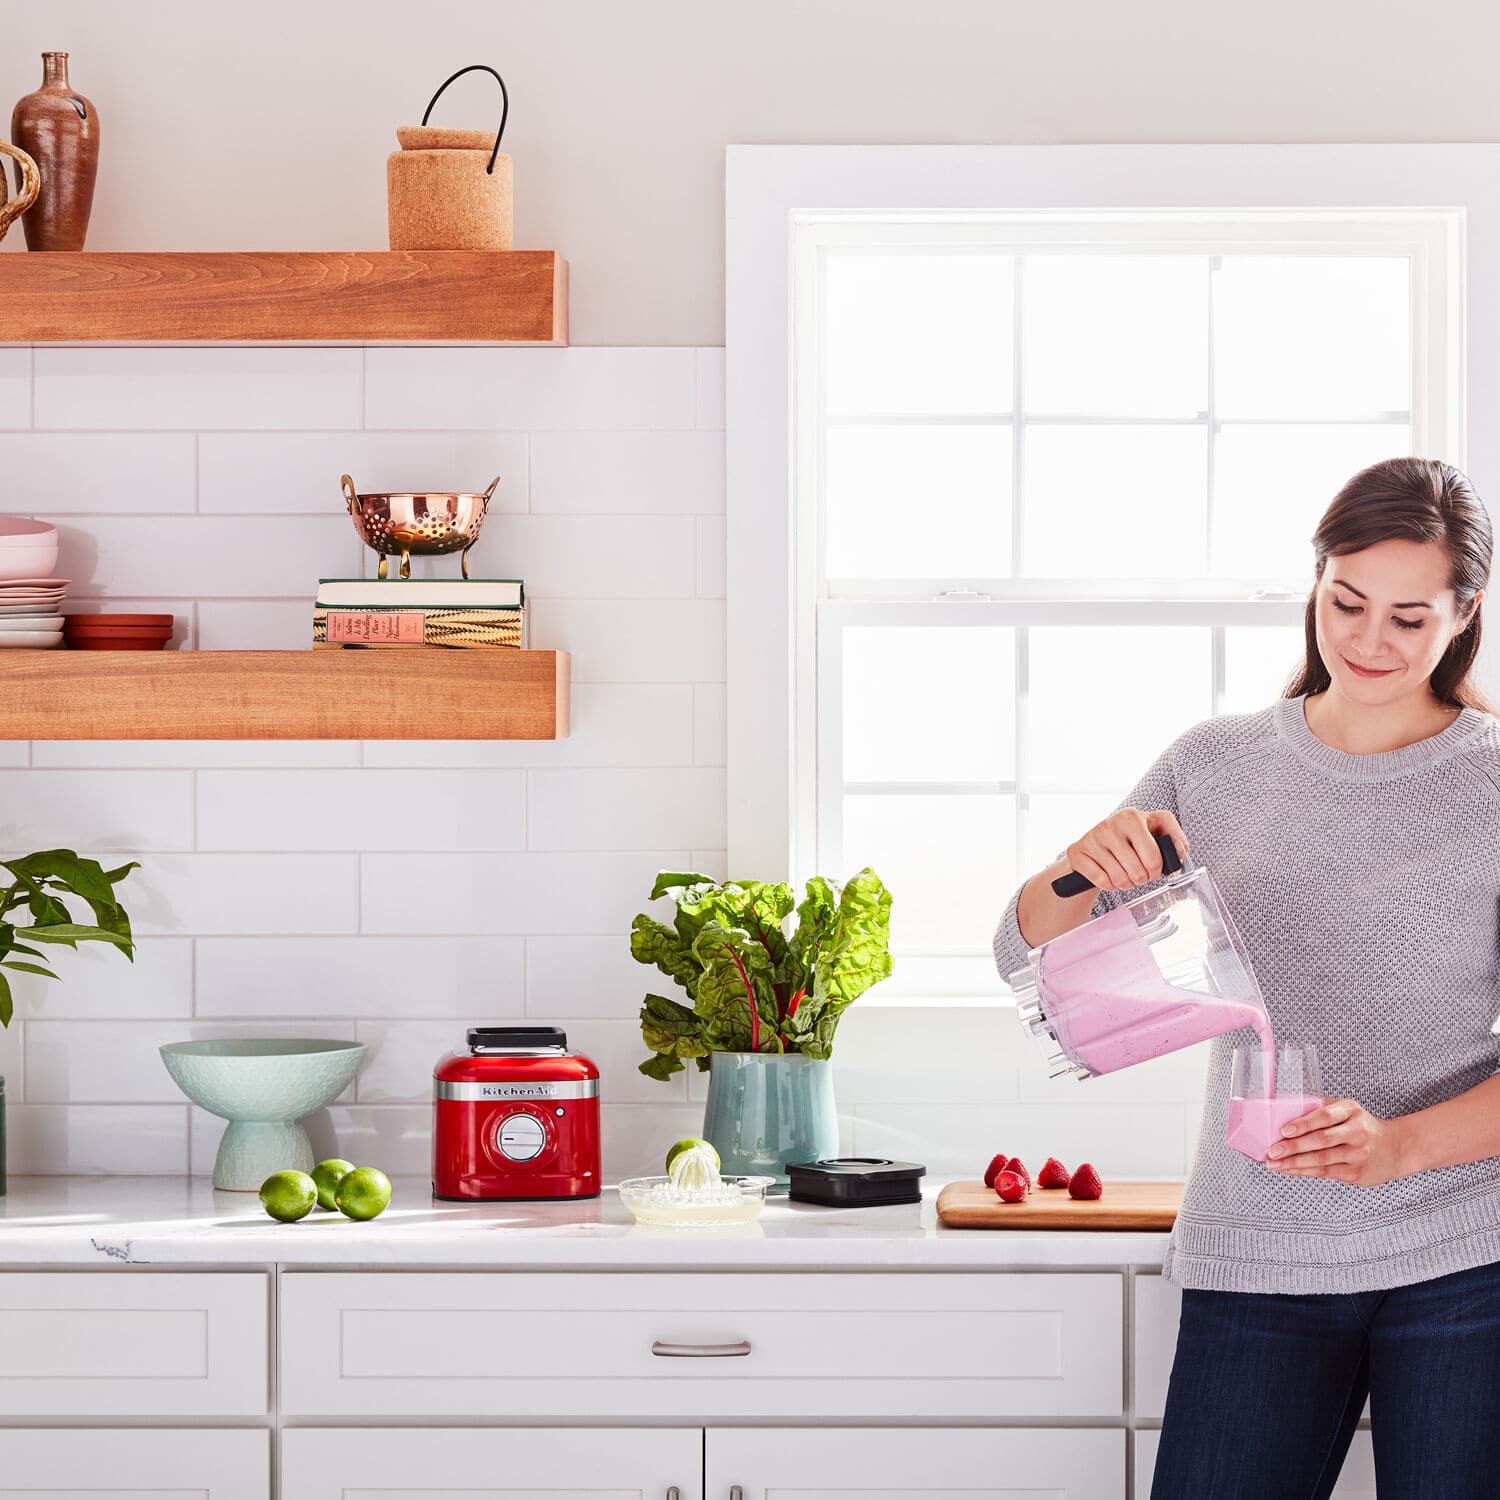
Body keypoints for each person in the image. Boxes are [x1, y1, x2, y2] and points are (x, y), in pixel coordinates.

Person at [991, 457, 1500, 1498]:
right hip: (1258, 1248)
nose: (1368, 640)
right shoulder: (1215, 766)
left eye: (1408, 618)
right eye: (1346, 602)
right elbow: (1022, 955)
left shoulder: (1492, 787)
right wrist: (1084, 868)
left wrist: (1398, 1146)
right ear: (1316, 582)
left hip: (1465, 1252)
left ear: (1465, 614)